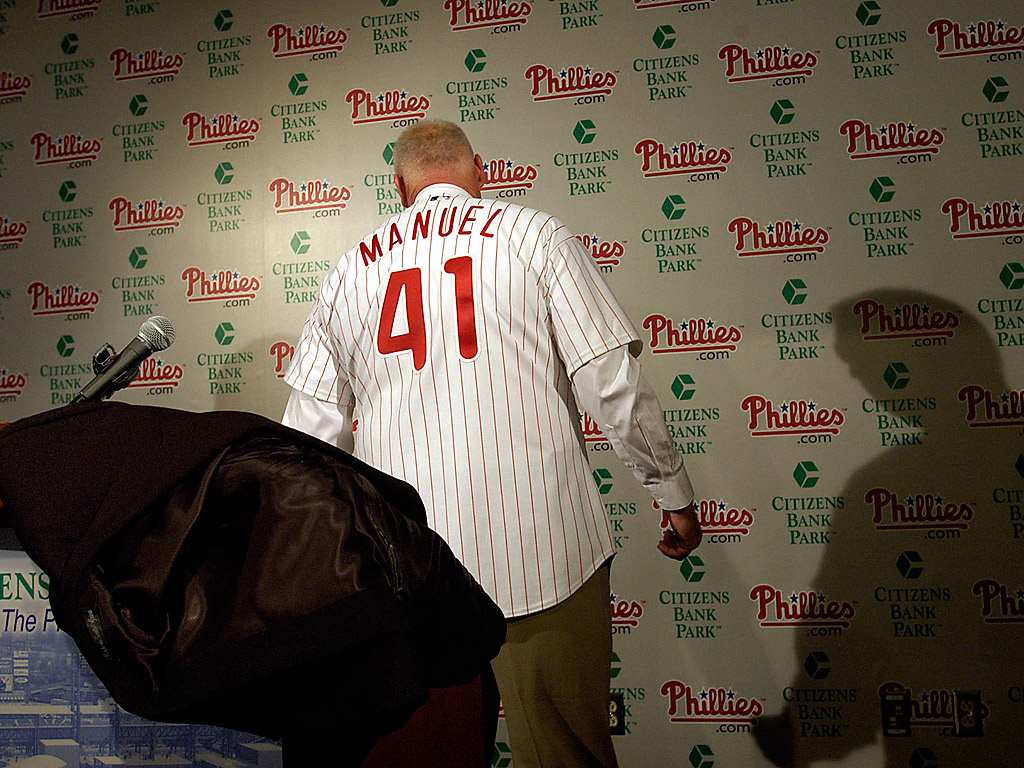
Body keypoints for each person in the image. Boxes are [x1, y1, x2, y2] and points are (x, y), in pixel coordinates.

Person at [282, 120, 701, 767]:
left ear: (400, 186)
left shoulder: (349, 270)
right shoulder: (536, 235)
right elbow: (611, 383)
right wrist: (671, 490)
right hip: (546, 552)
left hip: (411, 574)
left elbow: (308, 442)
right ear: (479, 173)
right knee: (566, 759)